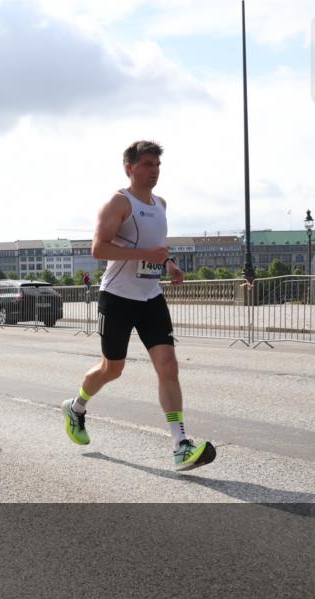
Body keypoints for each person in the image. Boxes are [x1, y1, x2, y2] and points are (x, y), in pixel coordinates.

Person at [61, 140, 216, 471]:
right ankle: (76, 407)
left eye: (157, 165)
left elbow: (156, 246)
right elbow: (99, 249)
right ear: (129, 168)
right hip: (117, 297)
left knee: (168, 365)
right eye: (147, 164)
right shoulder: (118, 203)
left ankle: (180, 444)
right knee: (112, 369)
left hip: (150, 297)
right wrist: (144, 255)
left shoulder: (161, 203)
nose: (154, 171)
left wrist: (170, 264)